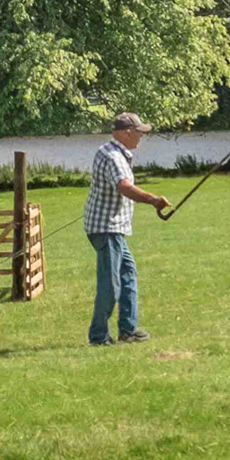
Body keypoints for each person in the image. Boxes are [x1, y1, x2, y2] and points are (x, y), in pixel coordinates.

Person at [83, 113, 170, 346]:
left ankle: (127, 331)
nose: (142, 136)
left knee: (128, 273)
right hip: (106, 228)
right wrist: (153, 200)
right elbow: (124, 186)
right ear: (126, 132)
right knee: (110, 285)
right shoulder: (113, 156)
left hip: (110, 227)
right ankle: (99, 336)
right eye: (139, 132)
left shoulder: (112, 151)